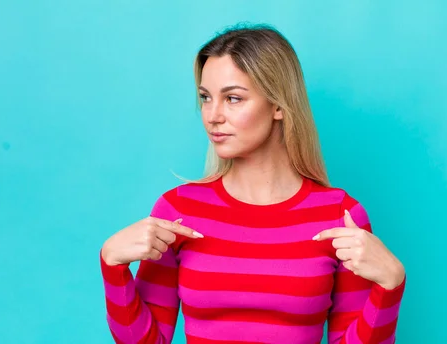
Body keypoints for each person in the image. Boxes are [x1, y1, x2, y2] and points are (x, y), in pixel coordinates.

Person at [99, 24, 406, 344]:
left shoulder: (340, 215)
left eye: (233, 98)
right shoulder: (177, 211)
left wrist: (390, 286)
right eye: (206, 98)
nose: (212, 115)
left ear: (278, 105)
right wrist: (112, 265)